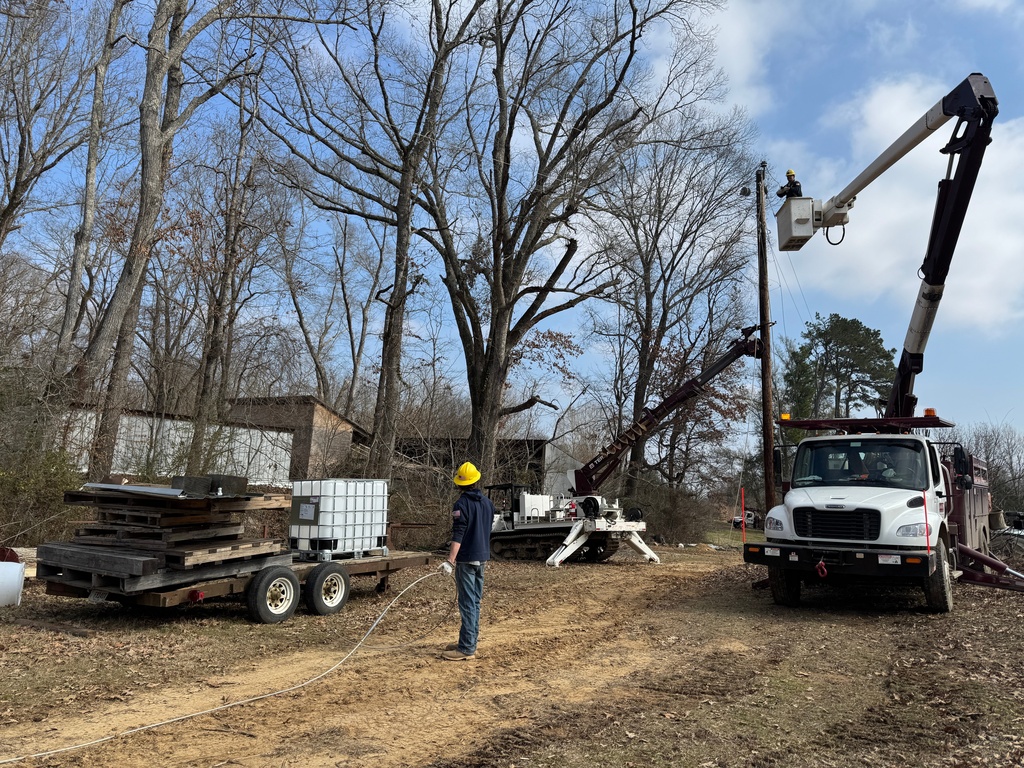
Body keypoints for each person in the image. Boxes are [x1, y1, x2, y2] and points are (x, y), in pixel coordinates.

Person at [439, 461, 494, 661]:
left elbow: (459, 534)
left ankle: (467, 648)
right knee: (475, 602)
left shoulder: (461, 504)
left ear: (460, 484)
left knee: (467, 603)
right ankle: (467, 641)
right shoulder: (488, 503)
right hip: (482, 557)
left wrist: (450, 560)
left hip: (467, 560)